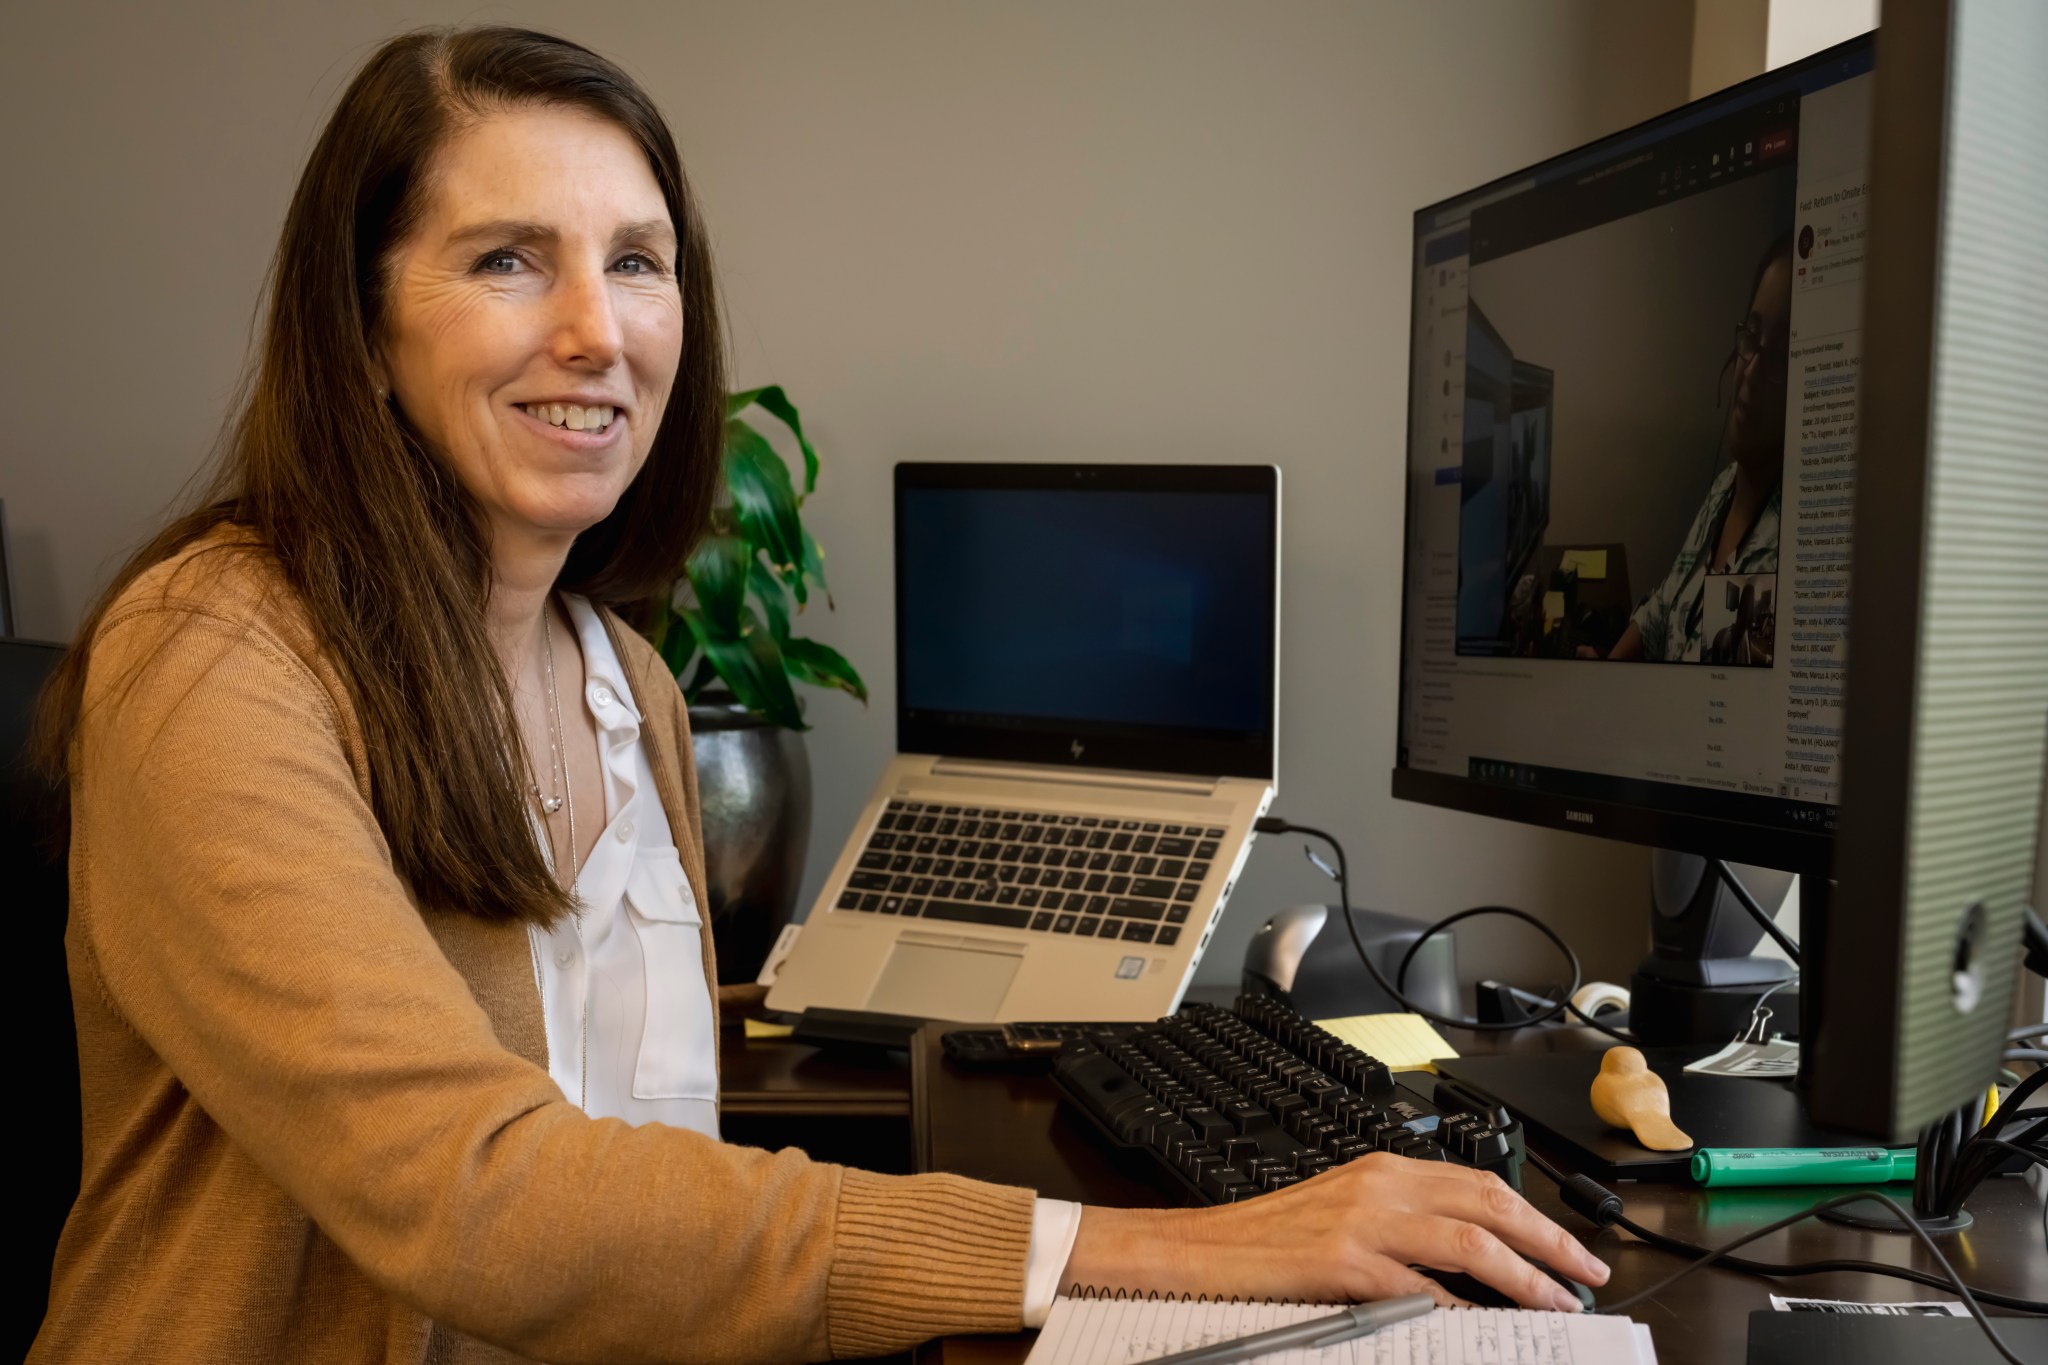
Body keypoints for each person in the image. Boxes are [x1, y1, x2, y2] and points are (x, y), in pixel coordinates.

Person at [30, 26, 1607, 1363]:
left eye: (636, 263)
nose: (596, 329)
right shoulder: (217, 655)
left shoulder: (619, 679)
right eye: (507, 259)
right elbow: (469, 1190)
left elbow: (626, 1121)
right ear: (365, 327)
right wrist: (1192, 1244)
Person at [1594, 234, 1791, 663]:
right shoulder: (1724, 489)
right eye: (1752, 337)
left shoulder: (1788, 546)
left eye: (1779, 357)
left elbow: (1717, 703)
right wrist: (1604, 676)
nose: (1751, 371)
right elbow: (1663, 608)